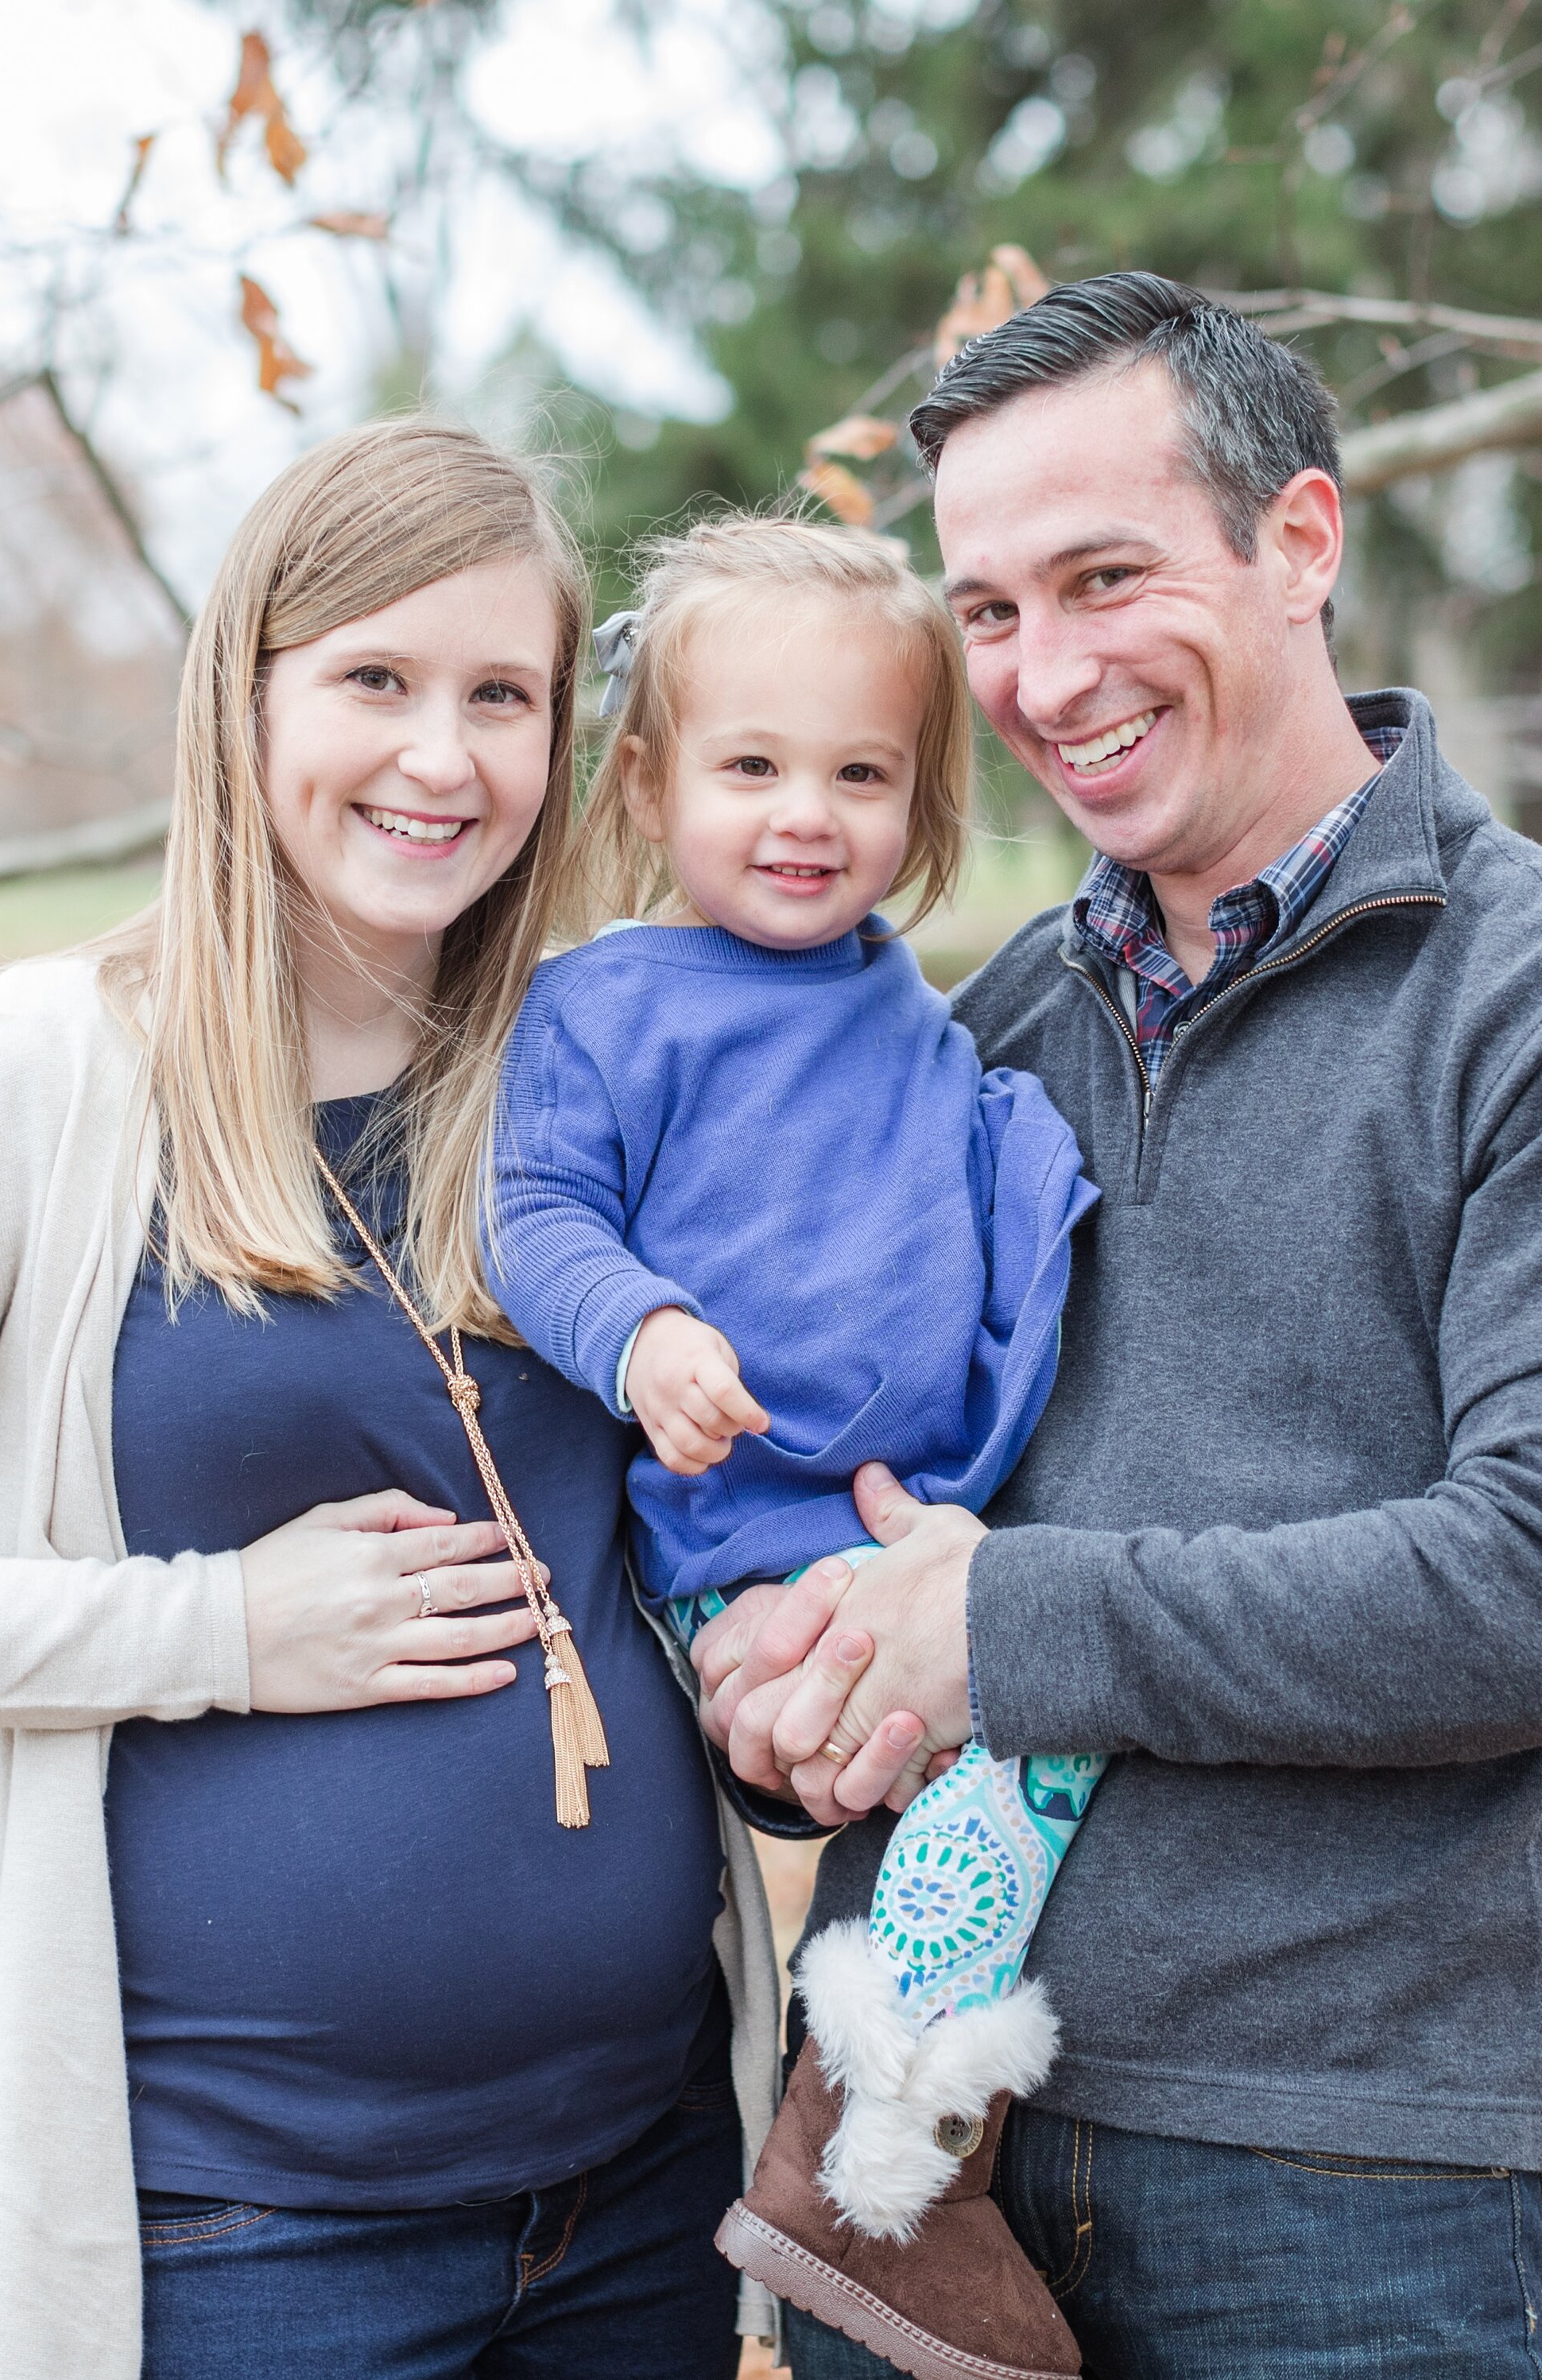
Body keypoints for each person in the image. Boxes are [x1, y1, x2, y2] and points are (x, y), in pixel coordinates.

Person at [699, 273, 1542, 2379]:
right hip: (929, 2167)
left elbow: (1519, 1573)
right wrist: (804, 1687)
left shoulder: (1508, 1001)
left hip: (1370, 2190)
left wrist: (999, 1624)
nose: (1045, 674)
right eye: (988, 612)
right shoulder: (978, 1040)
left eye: (1104, 578)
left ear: (1303, 541)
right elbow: (884, 1512)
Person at [0, 419, 783, 2380]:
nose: (444, 756)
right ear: (244, 695)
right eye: (376, 681)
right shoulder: (41, 1078)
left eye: (503, 694)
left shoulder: (593, 1071)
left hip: (642, 2186)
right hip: (247, 2232)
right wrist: (218, 1628)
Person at [478, 513, 1098, 2377]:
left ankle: (889, 2139)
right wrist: (642, 1330)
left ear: (921, 800)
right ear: (655, 779)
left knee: (1014, 1766)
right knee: (983, 1759)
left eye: (860, 772)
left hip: (917, 1522)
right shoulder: (609, 1005)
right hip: (748, 1531)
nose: (804, 815)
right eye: (750, 767)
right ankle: (877, 2166)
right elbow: (540, 1214)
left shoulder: (913, 1010)